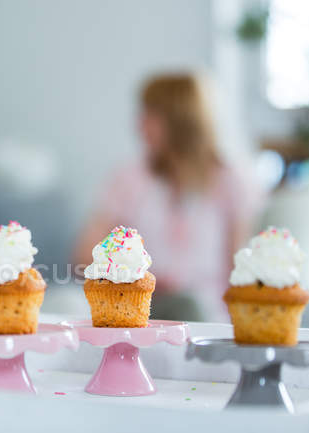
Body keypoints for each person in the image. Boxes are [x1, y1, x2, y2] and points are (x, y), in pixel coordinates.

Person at [73, 73, 262, 321]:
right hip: (140, 301)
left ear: (180, 120)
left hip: (205, 312)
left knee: (186, 307)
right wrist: (133, 274)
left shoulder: (230, 181)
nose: (139, 124)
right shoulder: (128, 179)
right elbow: (83, 257)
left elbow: (239, 269)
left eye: (150, 114)